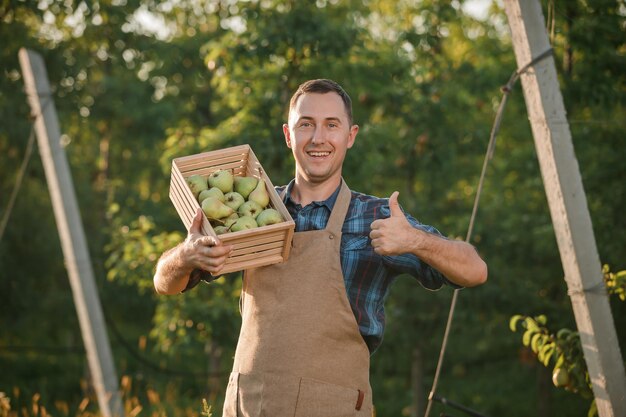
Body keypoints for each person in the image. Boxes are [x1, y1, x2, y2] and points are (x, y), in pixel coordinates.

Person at [154, 79, 488, 416]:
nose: (318, 138)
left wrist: (415, 240)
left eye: (331, 125)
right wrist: (186, 254)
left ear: (350, 136)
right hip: (251, 406)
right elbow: (165, 283)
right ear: (288, 135)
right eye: (306, 125)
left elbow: (474, 270)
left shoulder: (377, 218)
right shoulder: (253, 212)